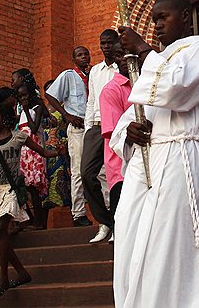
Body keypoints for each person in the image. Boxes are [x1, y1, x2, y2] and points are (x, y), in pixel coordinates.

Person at [111, 0, 199, 308]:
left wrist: (145, 51)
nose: (157, 25)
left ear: (185, 16)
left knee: (169, 244)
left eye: (164, 17)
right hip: (144, 164)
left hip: (180, 157)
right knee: (130, 240)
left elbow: (178, 90)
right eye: (154, 20)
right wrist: (129, 132)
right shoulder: (153, 63)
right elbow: (134, 113)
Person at [0, 99, 62, 297]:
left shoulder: (18, 137)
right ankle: (21, 272)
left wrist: (58, 152)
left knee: (1, 229)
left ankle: (3, 280)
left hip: (12, 188)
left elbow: (41, 151)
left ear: (6, 119)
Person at [44, 46, 91, 224]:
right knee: (78, 170)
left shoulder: (93, 74)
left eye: (86, 54)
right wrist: (66, 115)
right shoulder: (68, 75)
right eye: (79, 55)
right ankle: (78, 213)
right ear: (74, 59)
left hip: (92, 127)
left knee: (98, 170)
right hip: (77, 128)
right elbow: (50, 95)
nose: (84, 57)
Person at [82, 30, 121, 241]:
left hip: (116, 125)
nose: (106, 46)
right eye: (102, 43)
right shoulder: (95, 71)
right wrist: (89, 126)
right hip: (96, 126)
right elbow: (91, 101)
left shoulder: (122, 68)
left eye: (109, 42)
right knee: (87, 174)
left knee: (117, 177)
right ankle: (105, 221)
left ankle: (118, 223)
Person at [97, 40, 132, 241]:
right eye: (120, 55)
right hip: (121, 168)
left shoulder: (144, 84)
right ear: (116, 60)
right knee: (124, 232)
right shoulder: (111, 90)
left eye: (129, 53)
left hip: (145, 167)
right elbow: (116, 134)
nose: (125, 58)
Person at [17, 80, 51, 229]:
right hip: (25, 152)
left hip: (35, 150)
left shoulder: (36, 108)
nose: (23, 99)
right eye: (20, 97)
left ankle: (40, 223)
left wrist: (25, 110)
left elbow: (34, 127)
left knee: (35, 187)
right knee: (27, 187)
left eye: (25, 95)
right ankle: (34, 220)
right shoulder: (20, 112)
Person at [41, 80, 72, 211]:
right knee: (44, 186)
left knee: (63, 182)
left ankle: (76, 216)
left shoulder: (64, 107)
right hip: (44, 150)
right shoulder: (41, 108)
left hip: (60, 149)